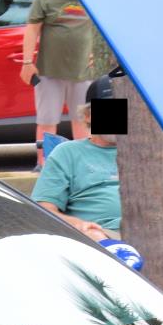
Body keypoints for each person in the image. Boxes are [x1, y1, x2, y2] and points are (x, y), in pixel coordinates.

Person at [23, 0, 99, 165]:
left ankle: (84, 166)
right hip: (49, 71)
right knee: (47, 121)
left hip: (84, 72)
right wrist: (27, 62)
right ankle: (45, 165)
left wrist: (99, 52)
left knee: (84, 121)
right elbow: (32, 29)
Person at [32, 95, 120, 242]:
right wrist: (78, 225)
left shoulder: (148, 152)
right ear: (88, 116)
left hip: (151, 228)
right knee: (95, 237)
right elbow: (43, 209)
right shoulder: (67, 152)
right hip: (102, 233)